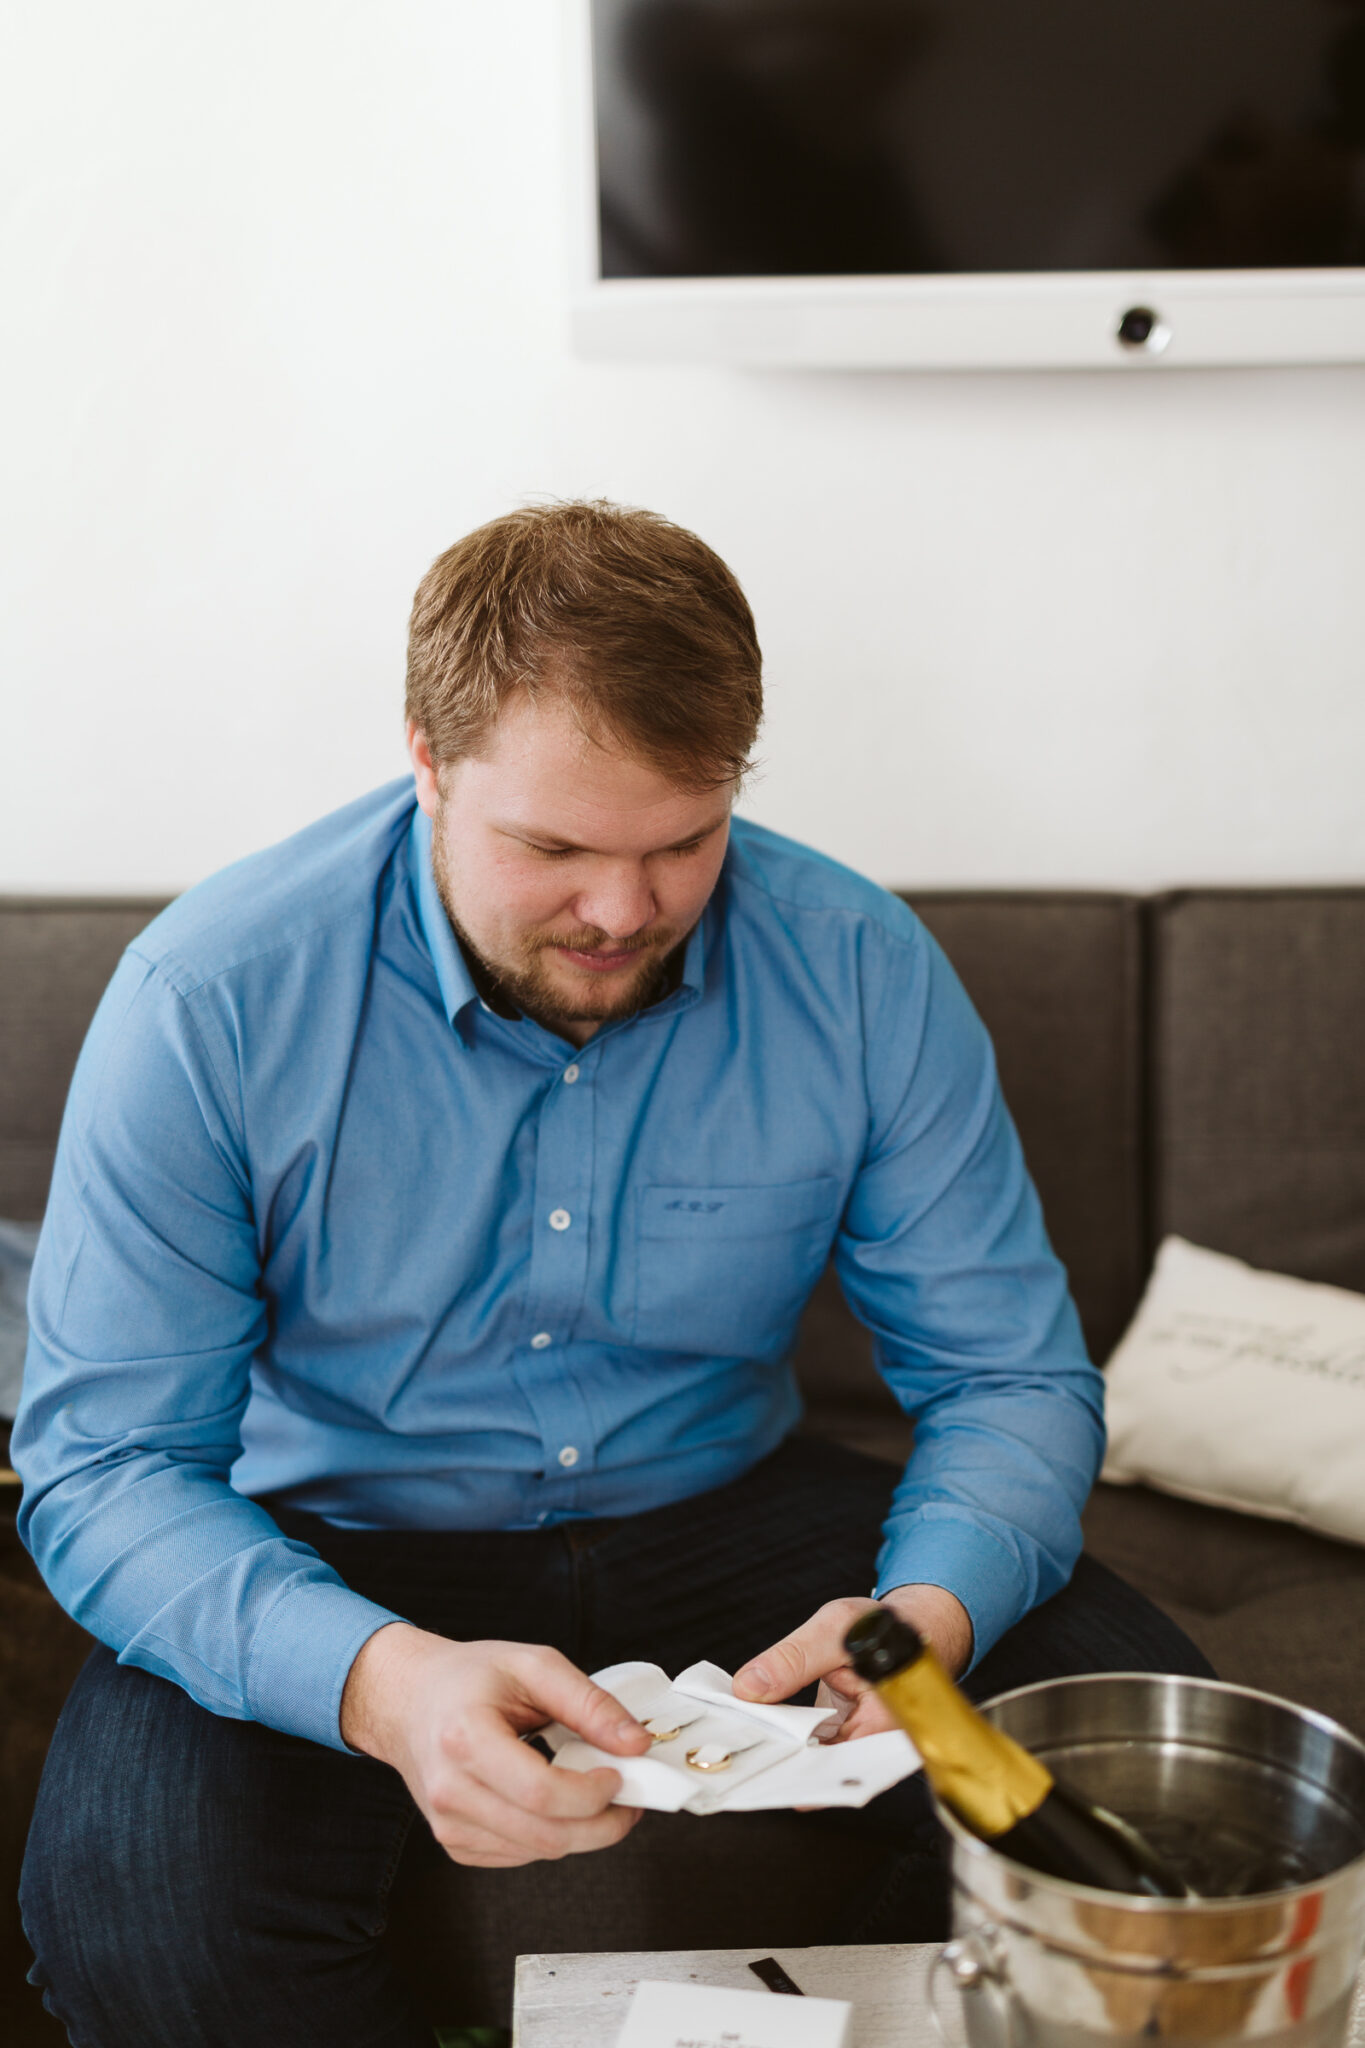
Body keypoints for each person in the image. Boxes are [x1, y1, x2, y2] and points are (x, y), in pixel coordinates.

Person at [14, 501, 1210, 2046]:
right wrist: (380, 1684)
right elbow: (106, 1465)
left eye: (682, 843)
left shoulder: (855, 965)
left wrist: (924, 1614)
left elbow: (1004, 1375)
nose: (624, 910)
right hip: (330, 1536)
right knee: (143, 1923)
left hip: (725, 1512)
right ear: (428, 766)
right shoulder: (210, 997)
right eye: (554, 847)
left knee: (1137, 1810)